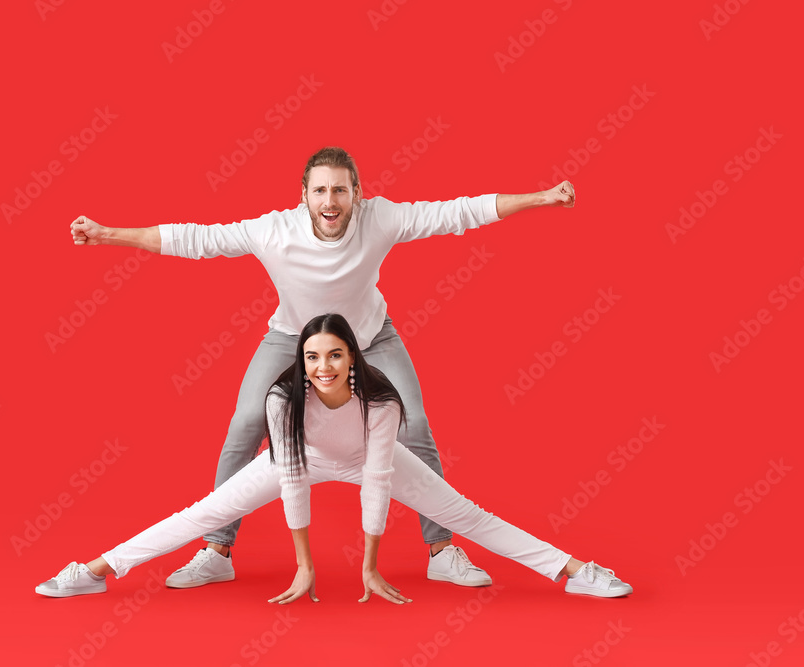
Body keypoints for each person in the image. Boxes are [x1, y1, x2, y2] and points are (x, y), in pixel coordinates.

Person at [69, 146, 577, 588]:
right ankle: (216, 552)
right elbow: (197, 239)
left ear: (357, 192)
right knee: (246, 423)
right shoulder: (274, 231)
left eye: (340, 190)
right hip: (292, 337)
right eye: (320, 191)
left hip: (371, 337)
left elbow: (457, 212)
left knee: (414, 423)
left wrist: (538, 198)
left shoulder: (380, 219)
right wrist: (110, 234)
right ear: (304, 195)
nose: (330, 202)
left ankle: (441, 551)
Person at [36, 313, 632, 602]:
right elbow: (292, 479)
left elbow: (375, 482)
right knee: (203, 513)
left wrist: (370, 565)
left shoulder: (381, 401)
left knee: (468, 515)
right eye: (313, 356)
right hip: (301, 457)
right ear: (301, 360)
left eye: (336, 355)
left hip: (371, 456)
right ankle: (94, 572)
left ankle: (575, 573)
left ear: (353, 358)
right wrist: (305, 565)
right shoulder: (282, 399)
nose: (323, 367)